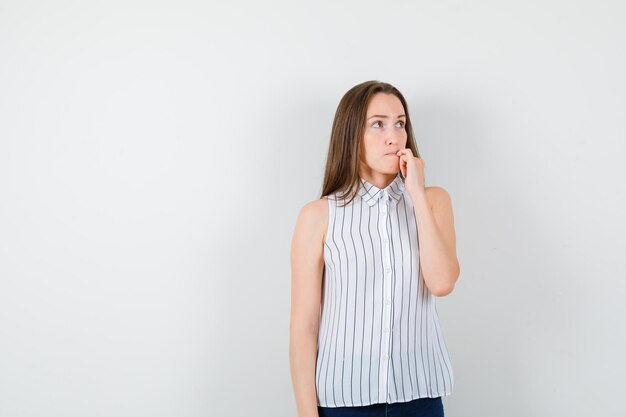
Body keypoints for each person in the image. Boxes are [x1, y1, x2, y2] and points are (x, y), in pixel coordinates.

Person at [289, 80, 460, 417]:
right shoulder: (319, 216)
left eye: (400, 123)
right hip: (343, 402)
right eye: (378, 124)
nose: (394, 136)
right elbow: (304, 328)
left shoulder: (434, 201)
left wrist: (417, 195)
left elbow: (442, 283)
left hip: (420, 398)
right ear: (352, 135)